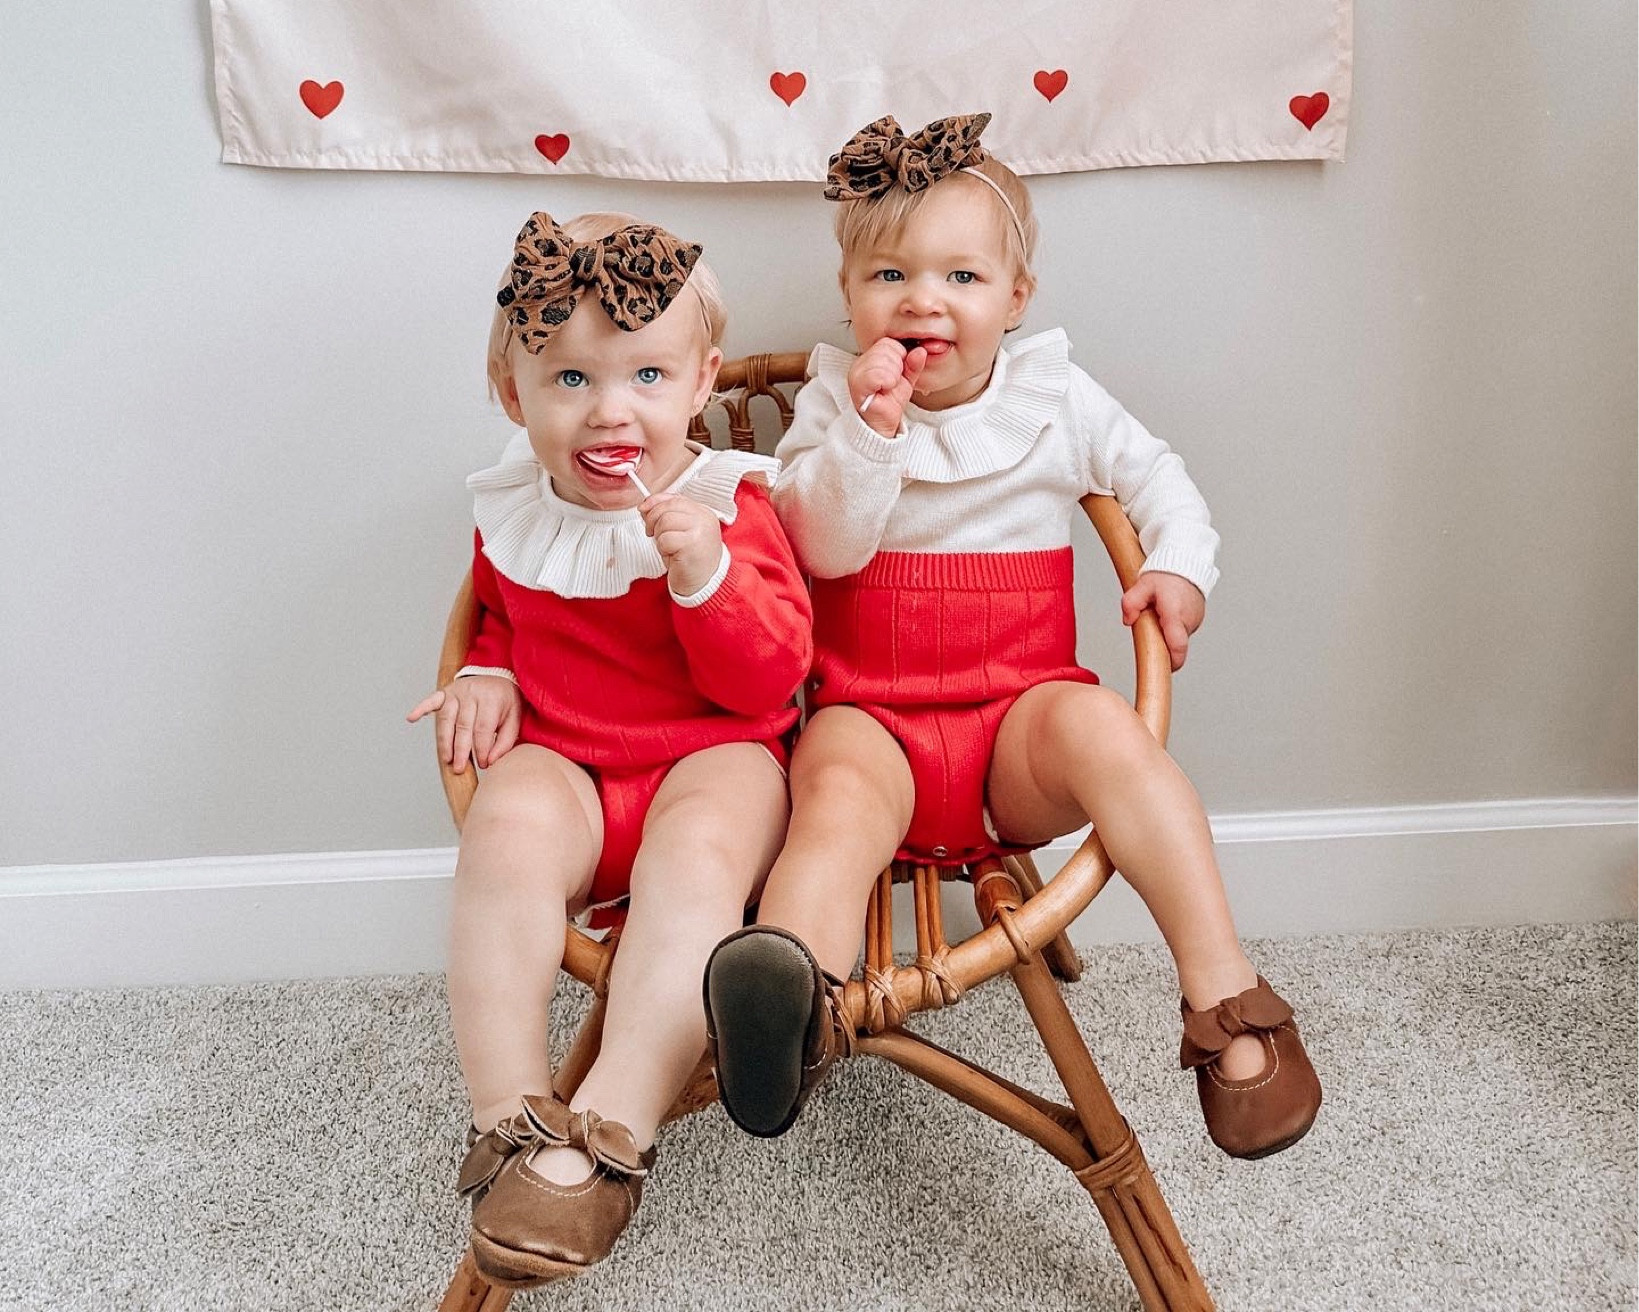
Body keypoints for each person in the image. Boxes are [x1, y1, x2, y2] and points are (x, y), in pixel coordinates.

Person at [702, 114, 1320, 1160]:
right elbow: (817, 546)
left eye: (961, 275)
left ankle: (1222, 993)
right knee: (834, 797)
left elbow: (1158, 477)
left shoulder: (1054, 395)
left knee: (1109, 730)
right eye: (889, 272)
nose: (922, 298)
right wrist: (868, 433)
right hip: (871, 715)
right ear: (850, 293)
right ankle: (788, 992)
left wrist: (1175, 566)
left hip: (1014, 726)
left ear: (1015, 298)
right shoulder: (829, 402)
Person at [410, 211, 811, 1285]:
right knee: (505, 826)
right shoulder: (519, 506)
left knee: (698, 856)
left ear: (700, 381)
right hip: (573, 756)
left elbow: (772, 676)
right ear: (516, 396)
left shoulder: (732, 500)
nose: (610, 409)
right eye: (570, 379)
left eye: (644, 373)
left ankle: (613, 1125)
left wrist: (705, 578)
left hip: (716, 751)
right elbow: (505, 603)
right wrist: (488, 664)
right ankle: (508, 1122)